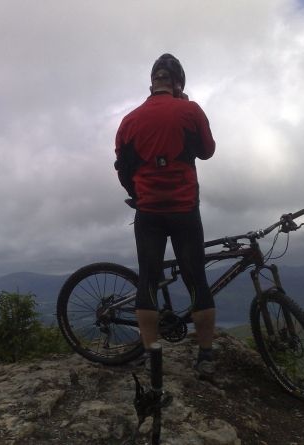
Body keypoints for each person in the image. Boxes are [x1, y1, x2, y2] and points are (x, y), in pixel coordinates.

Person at [114, 53, 216, 378]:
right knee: (196, 278)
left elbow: (123, 167)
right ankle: (206, 357)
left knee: (148, 278)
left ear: (152, 82)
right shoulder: (190, 110)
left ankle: (151, 353)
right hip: (185, 208)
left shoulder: (129, 120)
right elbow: (207, 151)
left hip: (149, 211)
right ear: (178, 83)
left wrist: (138, 194)